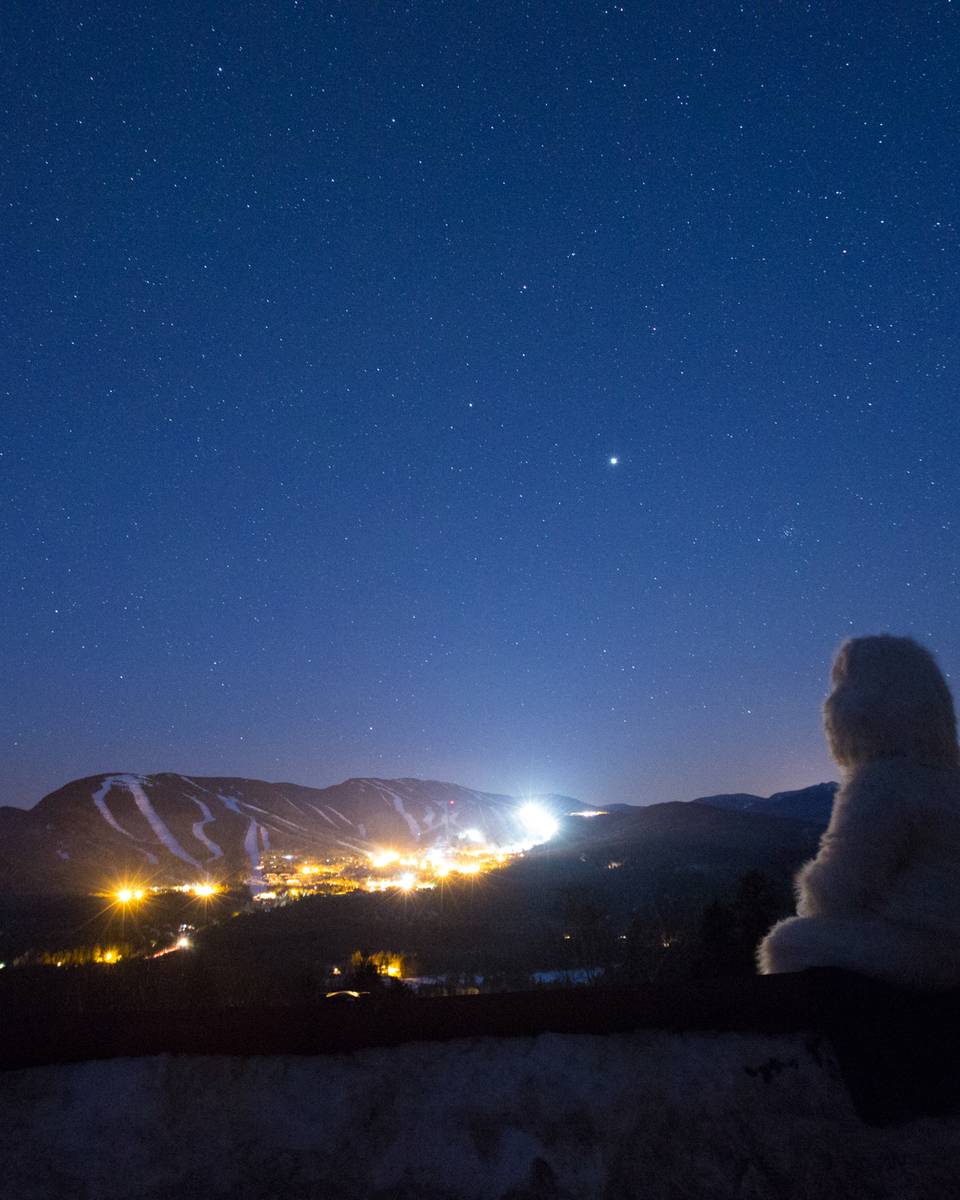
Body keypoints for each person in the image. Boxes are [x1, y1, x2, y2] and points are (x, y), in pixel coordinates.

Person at [757, 634, 960, 990]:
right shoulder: (945, 778)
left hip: (928, 952)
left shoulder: (882, 782)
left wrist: (814, 889)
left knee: (787, 942)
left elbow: (837, 890)